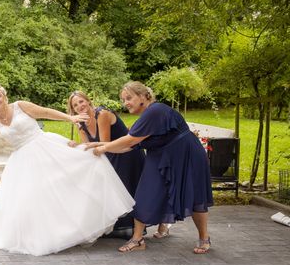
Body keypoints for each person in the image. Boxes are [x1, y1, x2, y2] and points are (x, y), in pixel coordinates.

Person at [0, 85, 135, 256]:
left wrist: (69, 118)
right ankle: (36, 233)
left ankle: (78, 225)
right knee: (29, 198)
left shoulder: (20, 106)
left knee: (69, 179)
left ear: (5, 98)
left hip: (44, 147)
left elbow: (45, 112)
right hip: (22, 160)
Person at [86, 81, 213, 254]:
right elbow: (128, 145)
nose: (126, 103)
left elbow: (129, 141)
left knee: (195, 195)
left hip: (185, 154)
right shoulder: (146, 117)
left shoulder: (156, 110)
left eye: (129, 98)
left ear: (143, 96)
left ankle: (204, 238)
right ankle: (137, 240)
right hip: (160, 155)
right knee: (145, 192)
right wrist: (99, 146)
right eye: (124, 100)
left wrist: (103, 148)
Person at [67, 90, 146, 239]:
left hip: (126, 154)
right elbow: (88, 147)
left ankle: (134, 229)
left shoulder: (101, 114)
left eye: (81, 101)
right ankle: (116, 226)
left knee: (128, 190)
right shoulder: (81, 124)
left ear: (88, 101)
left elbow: (106, 143)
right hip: (109, 156)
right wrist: (76, 145)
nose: (80, 106)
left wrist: (89, 147)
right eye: (75, 105)